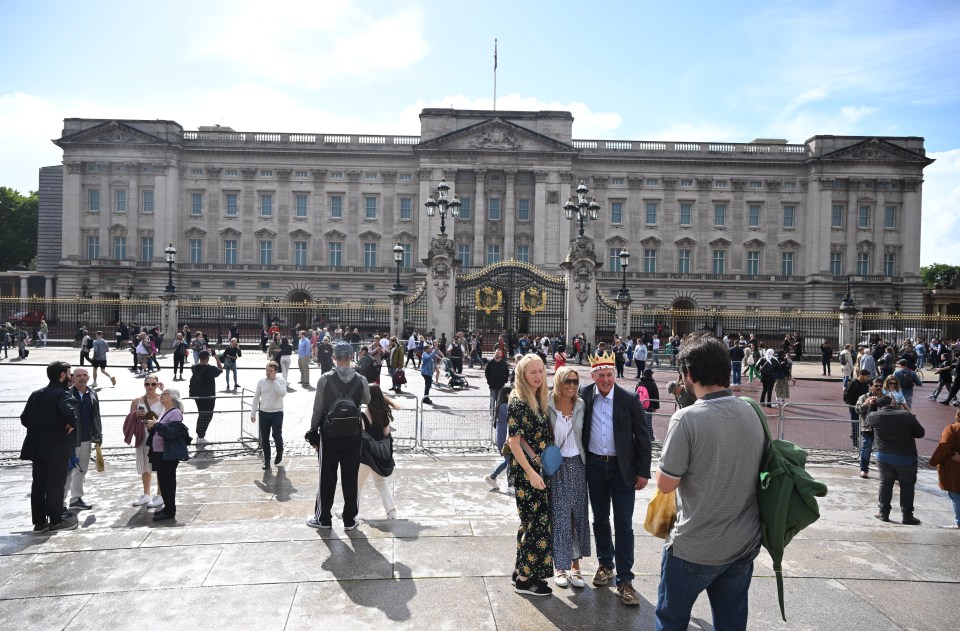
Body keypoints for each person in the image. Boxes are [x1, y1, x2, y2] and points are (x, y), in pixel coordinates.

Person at [654, 333, 765, 630]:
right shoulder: (752, 411)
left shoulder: (686, 419)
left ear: (688, 374)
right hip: (742, 544)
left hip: (695, 545)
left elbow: (665, 484)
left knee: (671, 621)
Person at [580, 348, 652, 606]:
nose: (606, 380)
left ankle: (625, 579)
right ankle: (605, 565)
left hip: (623, 470)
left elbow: (643, 437)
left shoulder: (629, 399)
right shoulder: (585, 395)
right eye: (601, 376)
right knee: (599, 520)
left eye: (610, 375)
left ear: (614, 375)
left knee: (623, 523)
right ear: (593, 376)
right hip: (595, 467)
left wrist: (644, 471)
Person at [306, 342, 371, 530]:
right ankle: (350, 519)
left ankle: (323, 518)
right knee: (350, 477)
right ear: (352, 357)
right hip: (353, 434)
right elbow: (367, 399)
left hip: (330, 435)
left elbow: (317, 409)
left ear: (334, 357)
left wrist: (312, 433)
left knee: (327, 477)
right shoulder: (361, 380)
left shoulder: (325, 379)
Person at [506, 354, 554, 597]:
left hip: (537, 471)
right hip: (528, 475)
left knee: (531, 523)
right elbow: (513, 443)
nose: (538, 376)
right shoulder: (519, 401)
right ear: (522, 375)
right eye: (532, 372)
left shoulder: (536, 398)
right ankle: (524, 580)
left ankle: (521, 571)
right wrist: (532, 474)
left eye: (541, 371)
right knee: (536, 525)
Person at [20, 361, 80, 532]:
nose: (71, 377)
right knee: (55, 484)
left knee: (38, 484)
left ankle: (39, 522)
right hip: (57, 448)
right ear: (62, 375)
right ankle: (55, 521)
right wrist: (71, 423)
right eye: (69, 374)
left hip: (37, 448)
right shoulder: (62, 393)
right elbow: (69, 413)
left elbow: (24, 419)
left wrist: (40, 430)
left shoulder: (36, 394)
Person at [546, 365, 590, 589]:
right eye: (568, 381)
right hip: (557, 466)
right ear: (559, 382)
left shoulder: (581, 404)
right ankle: (560, 567)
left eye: (575, 381)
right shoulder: (547, 404)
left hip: (577, 465)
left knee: (577, 517)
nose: (572, 385)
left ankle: (576, 567)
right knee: (560, 516)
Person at [866, 395, 925, 525]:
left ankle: (883, 513)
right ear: (892, 402)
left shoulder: (874, 416)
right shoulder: (906, 415)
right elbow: (920, 433)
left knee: (885, 484)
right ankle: (907, 516)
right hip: (906, 457)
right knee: (907, 487)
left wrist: (872, 405)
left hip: (884, 456)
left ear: (879, 405)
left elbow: (868, 421)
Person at [146, 388, 191, 522]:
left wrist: (156, 425)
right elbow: (162, 429)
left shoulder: (175, 413)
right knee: (164, 482)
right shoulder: (166, 412)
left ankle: (170, 511)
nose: (161, 396)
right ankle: (167, 508)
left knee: (168, 482)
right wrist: (153, 426)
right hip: (161, 453)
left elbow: (171, 432)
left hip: (168, 454)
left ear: (172, 397)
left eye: (164, 394)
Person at [62, 368, 102, 514]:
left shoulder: (92, 393)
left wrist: (97, 436)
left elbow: (96, 416)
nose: (82, 378)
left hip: (86, 439)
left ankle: (76, 499)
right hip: (71, 440)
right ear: (72, 378)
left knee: (81, 470)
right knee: (66, 472)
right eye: (79, 375)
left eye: (85, 375)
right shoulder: (66, 394)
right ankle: (60, 502)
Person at [358, 384, 399, 519]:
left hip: (365, 457)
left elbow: (361, 436)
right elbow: (386, 435)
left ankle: (351, 513)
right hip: (379, 456)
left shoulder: (363, 415)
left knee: (356, 485)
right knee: (381, 483)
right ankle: (391, 512)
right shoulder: (383, 414)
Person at [128, 376, 164, 509]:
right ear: (144, 385)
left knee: (159, 464)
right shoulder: (137, 401)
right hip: (142, 436)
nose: (150, 387)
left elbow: (174, 408)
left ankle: (160, 495)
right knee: (144, 464)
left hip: (158, 436)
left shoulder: (162, 399)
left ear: (157, 384)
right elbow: (130, 419)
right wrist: (135, 415)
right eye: (147, 384)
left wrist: (164, 390)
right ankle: (146, 494)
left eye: (153, 384)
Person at [251, 360, 287, 470]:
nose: (268, 373)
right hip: (264, 413)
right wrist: (253, 413)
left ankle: (279, 451)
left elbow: (282, 393)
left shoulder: (281, 380)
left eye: (270, 371)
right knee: (265, 438)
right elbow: (256, 397)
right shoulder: (261, 382)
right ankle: (267, 460)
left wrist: (274, 381)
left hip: (277, 413)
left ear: (276, 371)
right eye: (267, 370)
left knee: (276, 434)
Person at [928, 409, 960, 529]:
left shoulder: (953, 428)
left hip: (955, 469)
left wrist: (933, 462)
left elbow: (944, 447)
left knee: (956, 495)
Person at [190, 350, 223, 445]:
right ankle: (200, 436)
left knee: (201, 414)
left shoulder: (194, 367)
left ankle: (199, 434)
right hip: (209, 396)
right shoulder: (211, 369)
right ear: (208, 358)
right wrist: (217, 359)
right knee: (207, 415)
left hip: (198, 395)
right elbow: (220, 369)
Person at [484, 386, 514, 494]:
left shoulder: (502, 405)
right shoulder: (505, 406)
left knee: (508, 461)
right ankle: (507, 483)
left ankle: (493, 477)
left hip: (503, 436)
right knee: (509, 461)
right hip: (504, 437)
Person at [855, 380, 885, 478]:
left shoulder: (885, 397)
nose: (879, 388)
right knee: (866, 448)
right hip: (868, 427)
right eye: (876, 386)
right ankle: (864, 469)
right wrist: (866, 403)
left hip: (881, 428)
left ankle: (885, 470)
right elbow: (857, 410)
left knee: (883, 450)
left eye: (881, 386)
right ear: (871, 387)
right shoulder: (863, 397)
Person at [844, 369, 873, 449]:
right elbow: (846, 395)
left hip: (864, 406)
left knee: (864, 423)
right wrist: (852, 404)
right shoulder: (853, 383)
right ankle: (855, 443)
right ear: (861, 376)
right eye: (866, 376)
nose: (868, 378)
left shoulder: (866, 383)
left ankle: (854, 435)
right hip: (854, 406)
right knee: (855, 423)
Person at [484, 348, 510, 420]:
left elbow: (507, 373)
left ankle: (498, 415)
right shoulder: (490, 362)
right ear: (494, 353)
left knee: (499, 401)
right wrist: (489, 381)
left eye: (499, 353)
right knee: (492, 401)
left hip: (500, 385)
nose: (497, 354)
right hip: (492, 385)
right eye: (496, 353)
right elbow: (486, 373)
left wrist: (505, 381)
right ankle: (491, 415)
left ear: (501, 354)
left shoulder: (504, 363)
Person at [638, 367, 660, 442]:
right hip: (649, 405)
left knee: (640, 421)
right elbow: (656, 395)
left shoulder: (639, 382)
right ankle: (650, 437)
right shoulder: (653, 384)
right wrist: (656, 406)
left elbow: (636, 393)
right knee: (648, 421)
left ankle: (641, 436)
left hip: (640, 404)